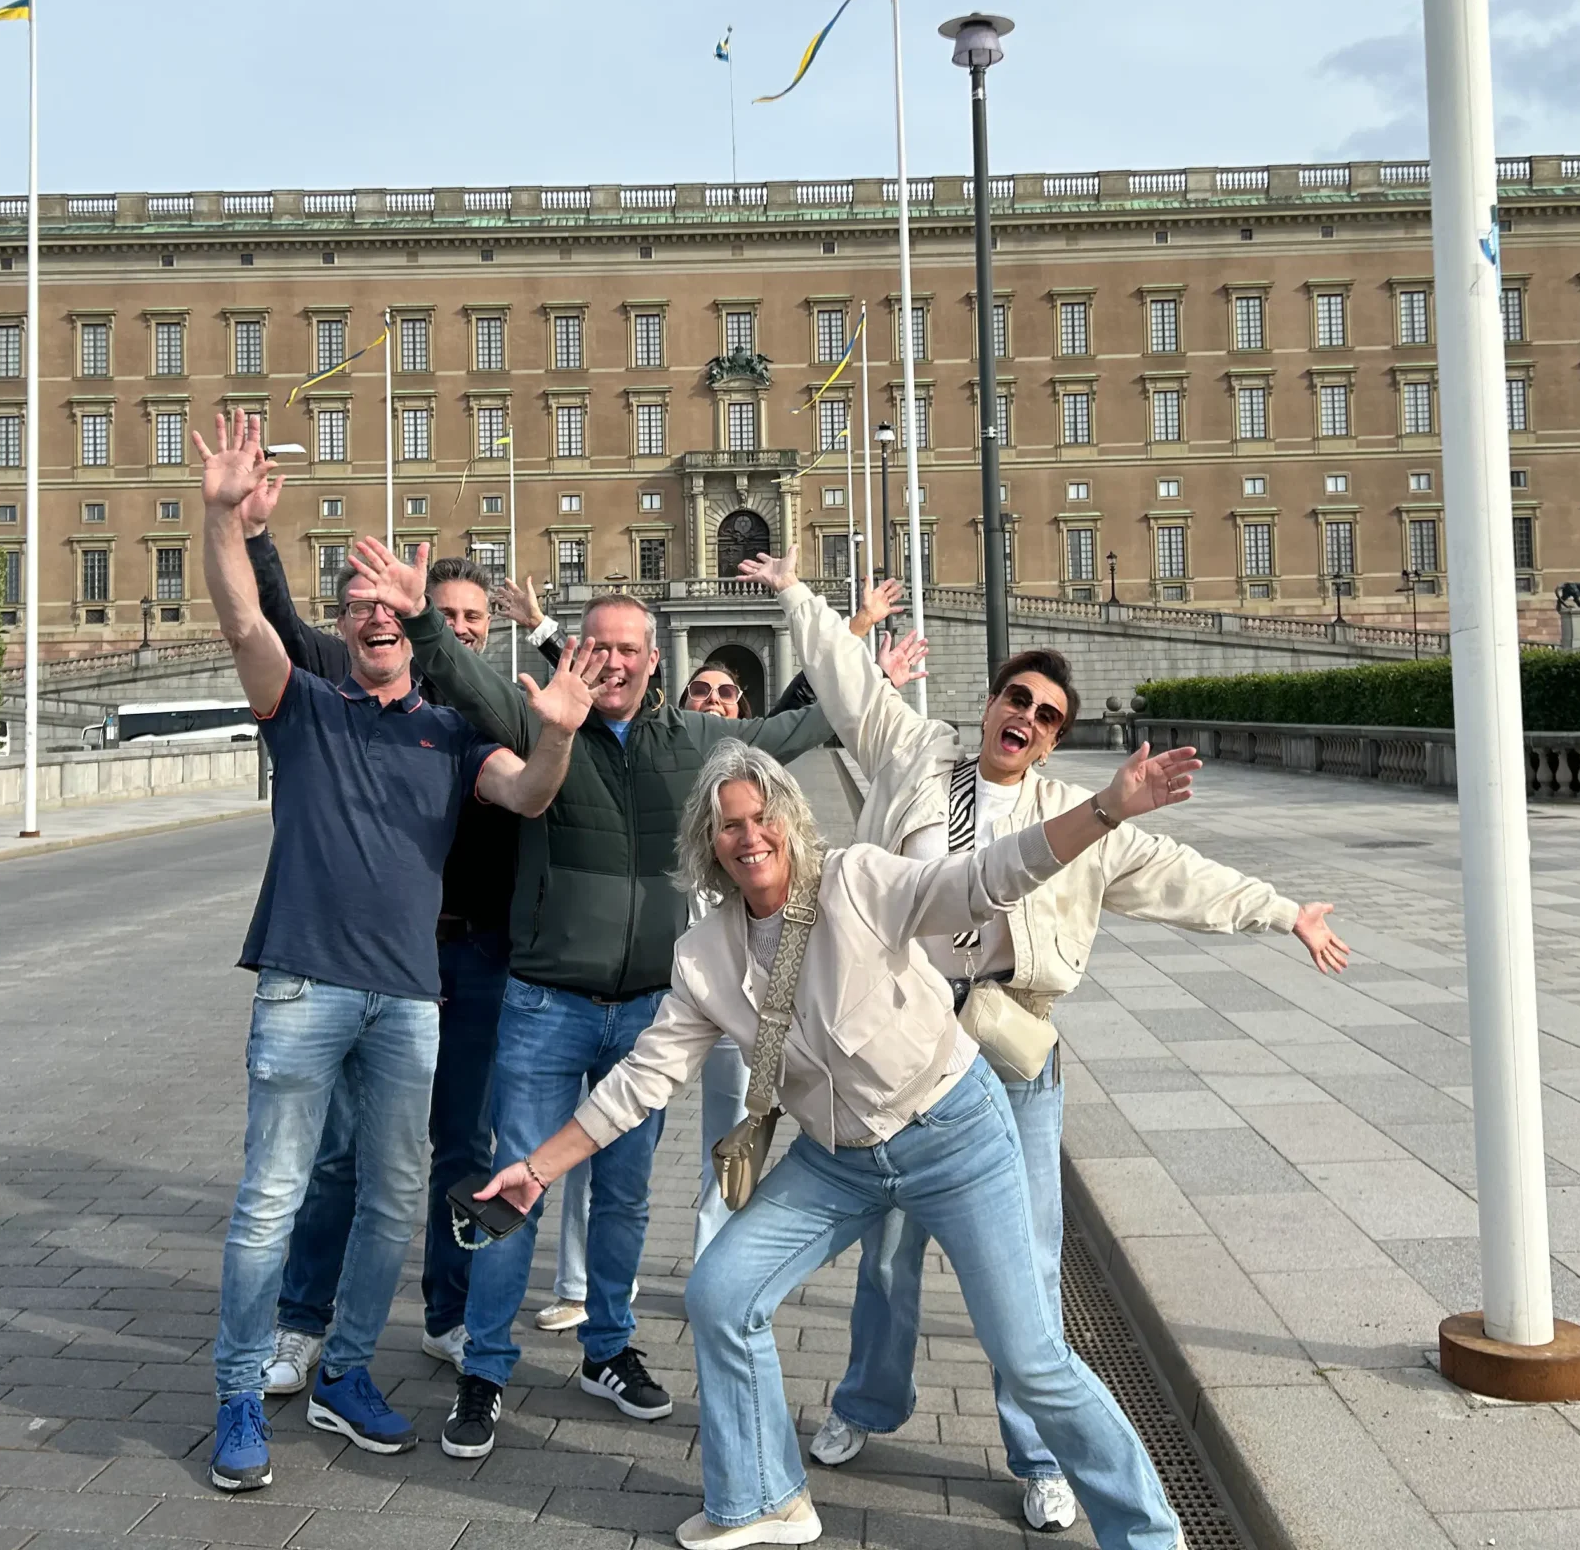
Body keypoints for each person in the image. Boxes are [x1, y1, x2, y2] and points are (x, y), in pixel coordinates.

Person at [737, 551, 1349, 1532]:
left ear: (1057, 737)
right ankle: (867, 1402)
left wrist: (1284, 913)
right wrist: (798, 596)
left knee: (1026, 1261)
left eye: (1047, 714)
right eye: (1015, 698)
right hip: (900, 1046)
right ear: (989, 705)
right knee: (889, 1250)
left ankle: (1037, 1454)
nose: (1025, 716)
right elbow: (849, 683)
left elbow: (1178, 872)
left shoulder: (1076, 818)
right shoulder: (916, 757)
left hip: (1010, 1052)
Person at [475, 738, 1204, 1550]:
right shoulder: (704, 954)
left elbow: (984, 878)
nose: (749, 837)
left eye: (762, 818)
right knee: (721, 1293)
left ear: (790, 819)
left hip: (953, 1136)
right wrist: (537, 1169)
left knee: (1029, 1358)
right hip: (837, 1162)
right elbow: (644, 1078)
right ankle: (767, 1499)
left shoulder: (858, 881)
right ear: (708, 842)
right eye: (729, 825)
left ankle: (1149, 1534)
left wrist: (1104, 809)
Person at [340, 534, 835, 1461]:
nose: (612, 660)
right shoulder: (537, 719)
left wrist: (856, 660)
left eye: (628, 648)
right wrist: (419, 619)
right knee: (515, 1186)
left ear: (653, 662)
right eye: (597, 645)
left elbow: (795, 732)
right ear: (577, 651)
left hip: (648, 1011)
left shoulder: (696, 742)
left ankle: (608, 1347)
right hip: (544, 1004)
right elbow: (466, 681)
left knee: (624, 1196)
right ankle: (486, 1367)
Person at [196, 413, 605, 1492]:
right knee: (272, 1197)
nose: (377, 617)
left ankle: (344, 1371)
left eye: (393, 608)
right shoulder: (304, 707)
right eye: (359, 607)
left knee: (391, 1198)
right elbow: (242, 620)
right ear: (340, 630)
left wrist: (557, 732)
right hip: (304, 985)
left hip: (409, 999)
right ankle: (238, 1390)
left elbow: (528, 793)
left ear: (414, 633)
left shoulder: (452, 733)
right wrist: (223, 518)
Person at [537, 616, 936, 1317]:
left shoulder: (747, 789)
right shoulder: (660, 760)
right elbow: (594, 689)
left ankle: (712, 1276)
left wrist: (871, 675)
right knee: (609, 1130)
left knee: (732, 1142)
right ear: (680, 700)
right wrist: (546, 634)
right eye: (701, 690)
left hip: (746, 988)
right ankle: (578, 1285)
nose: (713, 699)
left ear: (742, 711)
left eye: (726, 692)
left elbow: (804, 719)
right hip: (665, 987)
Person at [237, 544, 552, 1391]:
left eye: (472, 618)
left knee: (463, 1150)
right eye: (442, 614)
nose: (459, 628)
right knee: (337, 1153)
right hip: (368, 959)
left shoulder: (496, 712)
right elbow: (280, 628)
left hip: (479, 956)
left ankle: (448, 1314)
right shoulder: (360, 693)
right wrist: (256, 540)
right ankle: (304, 1318)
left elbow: (561, 768)